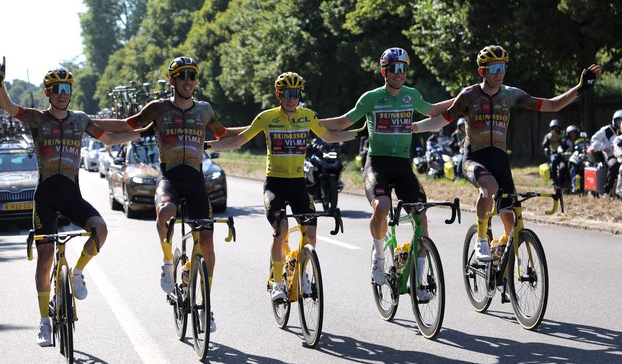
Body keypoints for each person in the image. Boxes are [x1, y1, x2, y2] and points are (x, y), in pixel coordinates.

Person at [0, 58, 142, 347]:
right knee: (46, 256)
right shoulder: (38, 119)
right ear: (47, 92)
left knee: (101, 229)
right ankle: (44, 321)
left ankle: (77, 272)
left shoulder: (80, 120)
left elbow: (109, 139)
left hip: (72, 195)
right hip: (45, 196)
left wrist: (143, 132)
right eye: (57, 88)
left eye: (67, 88)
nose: (63, 92)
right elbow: (8, 108)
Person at [94, 56, 243, 332]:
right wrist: (86, 122)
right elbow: (127, 124)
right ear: (172, 80)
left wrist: (259, 128)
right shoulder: (158, 109)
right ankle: (166, 262)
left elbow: (224, 134)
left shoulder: (205, 109)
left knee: (207, 242)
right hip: (170, 178)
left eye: (192, 76)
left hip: (196, 180)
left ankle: (206, 305)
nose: (188, 81)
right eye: (183, 76)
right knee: (165, 212)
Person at [412, 45, 601, 261]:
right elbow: (441, 120)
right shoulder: (469, 95)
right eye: (494, 68)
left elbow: (552, 105)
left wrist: (580, 88)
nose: (499, 73)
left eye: (502, 67)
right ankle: (481, 239)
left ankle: (504, 266)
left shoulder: (511, 95)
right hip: (474, 158)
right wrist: (415, 128)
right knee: (489, 187)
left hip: (500, 161)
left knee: (511, 223)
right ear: (482, 71)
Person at [207, 72, 358, 302]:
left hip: (298, 185)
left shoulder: (307, 116)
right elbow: (238, 140)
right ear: (278, 95)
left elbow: (329, 136)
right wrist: (207, 145)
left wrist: (361, 133)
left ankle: (303, 273)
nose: (291, 99)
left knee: (311, 232)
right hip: (274, 185)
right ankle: (277, 283)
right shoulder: (266, 118)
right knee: (282, 228)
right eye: (287, 94)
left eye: (296, 94)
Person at [320, 47, 453, 292]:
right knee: (382, 207)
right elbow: (342, 123)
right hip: (378, 164)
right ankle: (379, 258)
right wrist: (309, 121)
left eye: (403, 68)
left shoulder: (411, 95)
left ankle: (420, 280)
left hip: (403, 166)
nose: (399, 73)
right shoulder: (370, 98)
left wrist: (465, 97)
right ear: (385, 71)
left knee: (420, 216)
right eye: (394, 68)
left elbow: (434, 110)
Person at [588, 110, 622, 196]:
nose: (620, 122)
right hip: (611, 156)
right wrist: (603, 147)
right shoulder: (607, 130)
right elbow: (593, 139)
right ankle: (607, 190)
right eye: (619, 120)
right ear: (614, 121)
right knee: (614, 165)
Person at [542, 119, 573, 190]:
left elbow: (566, 143)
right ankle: (555, 181)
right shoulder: (548, 136)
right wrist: (547, 149)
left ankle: (564, 183)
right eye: (554, 127)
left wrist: (559, 139)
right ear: (551, 128)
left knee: (563, 167)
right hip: (554, 154)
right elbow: (544, 145)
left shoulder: (563, 134)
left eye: (557, 127)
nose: (556, 129)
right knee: (554, 162)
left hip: (562, 154)